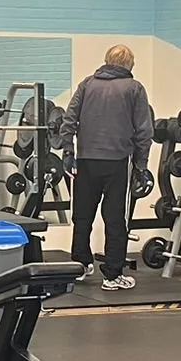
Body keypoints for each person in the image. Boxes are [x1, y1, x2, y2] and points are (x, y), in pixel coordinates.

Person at [60, 45, 154, 291]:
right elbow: (144, 131)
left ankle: (80, 264)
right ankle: (112, 276)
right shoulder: (134, 88)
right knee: (115, 220)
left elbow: (69, 120)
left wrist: (68, 152)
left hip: (85, 161)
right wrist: (141, 166)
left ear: (106, 61)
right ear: (130, 64)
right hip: (117, 163)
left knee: (82, 215)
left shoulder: (87, 84)